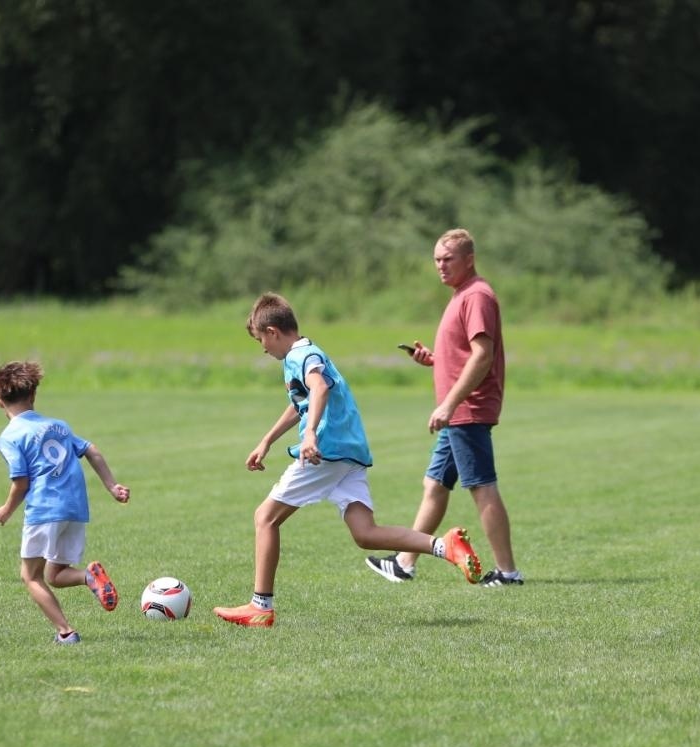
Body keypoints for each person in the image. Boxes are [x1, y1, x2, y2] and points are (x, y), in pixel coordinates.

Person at [214, 292, 482, 628]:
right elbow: (304, 400)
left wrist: (310, 434)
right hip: (350, 451)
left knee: (265, 517)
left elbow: (319, 388)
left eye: (260, 341)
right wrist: (267, 440)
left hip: (326, 449)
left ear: (272, 332)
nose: (264, 350)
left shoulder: (301, 355)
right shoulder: (308, 351)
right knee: (365, 533)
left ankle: (260, 606)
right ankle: (445, 546)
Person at [367, 228, 522, 587]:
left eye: (448, 259)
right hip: (458, 412)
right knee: (434, 485)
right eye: (436, 259)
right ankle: (404, 563)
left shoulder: (477, 295)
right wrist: (435, 361)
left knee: (482, 486)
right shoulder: (461, 295)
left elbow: (483, 356)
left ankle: (508, 573)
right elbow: (465, 355)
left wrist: (449, 404)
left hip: (467, 409)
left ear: (469, 260)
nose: (440, 265)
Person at [0, 360, 130, 643]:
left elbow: (21, 482)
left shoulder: (10, 437)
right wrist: (112, 486)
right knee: (55, 574)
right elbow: (91, 449)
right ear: (33, 396)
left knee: (30, 576)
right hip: (75, 509)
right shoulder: (58, 426)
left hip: (44, 510)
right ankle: (88, 576)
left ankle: (66, 632)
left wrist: (6, 510)